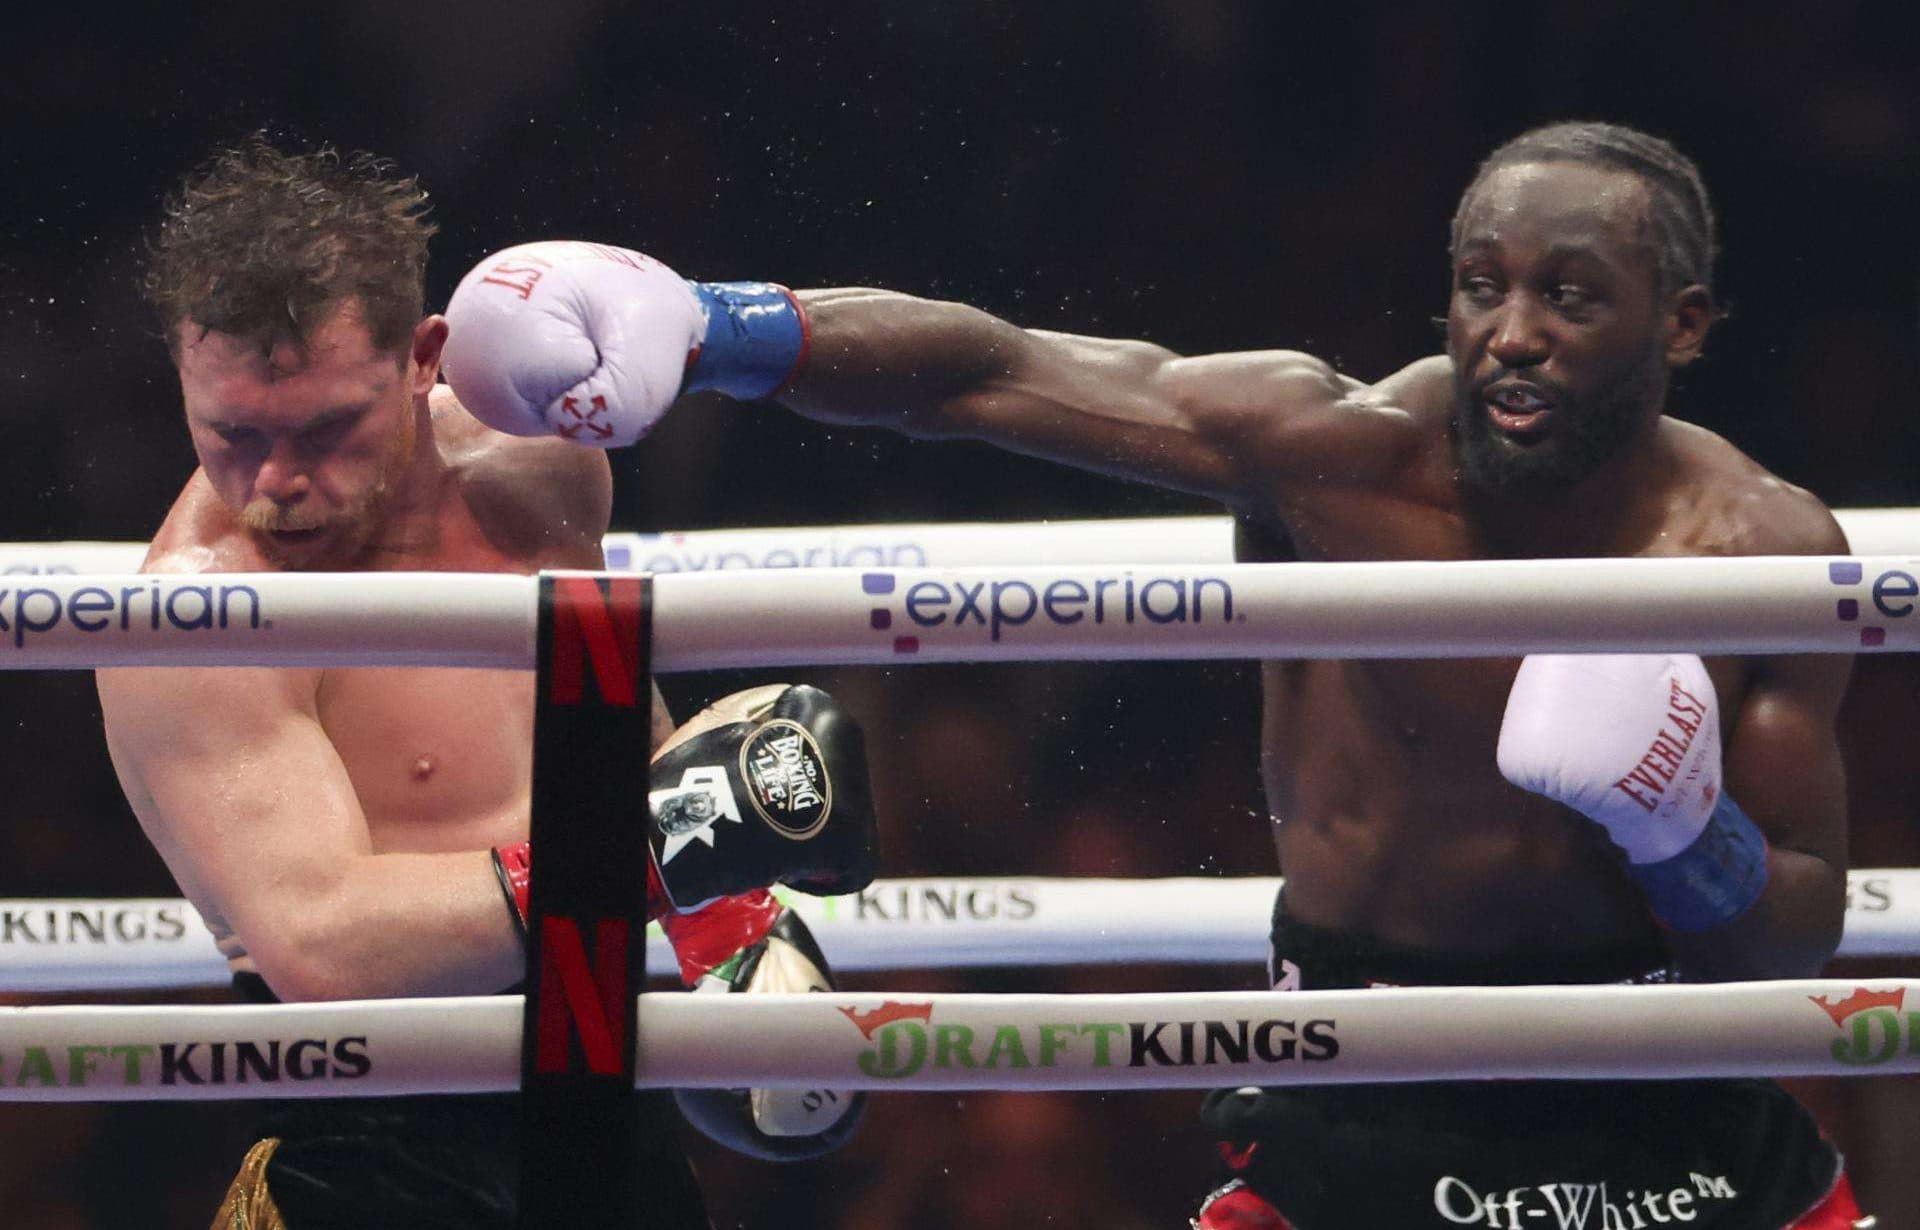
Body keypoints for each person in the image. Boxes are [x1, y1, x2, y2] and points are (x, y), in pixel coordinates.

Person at [442, 122, 1869, 1227]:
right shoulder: (1339, 457)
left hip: (1667, 1079)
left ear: (1681, 323)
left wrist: (1689, 830)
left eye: (1571, 295)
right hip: (1369, 1065)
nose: (1510, 331)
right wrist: (717, 326)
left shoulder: (1760, 546)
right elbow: (989, 373)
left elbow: (1793, 937)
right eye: (1481, 285)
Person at [95, 137, 878, 1230]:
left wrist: (730, 922)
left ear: (424, 358)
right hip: (373, 1139)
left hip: (605, 1079)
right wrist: (662, 848)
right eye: (232, 433)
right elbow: (324, 942)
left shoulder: (539, 465)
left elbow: (591, 722)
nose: (277, 483)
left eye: (328, 427)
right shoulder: (199, 615)